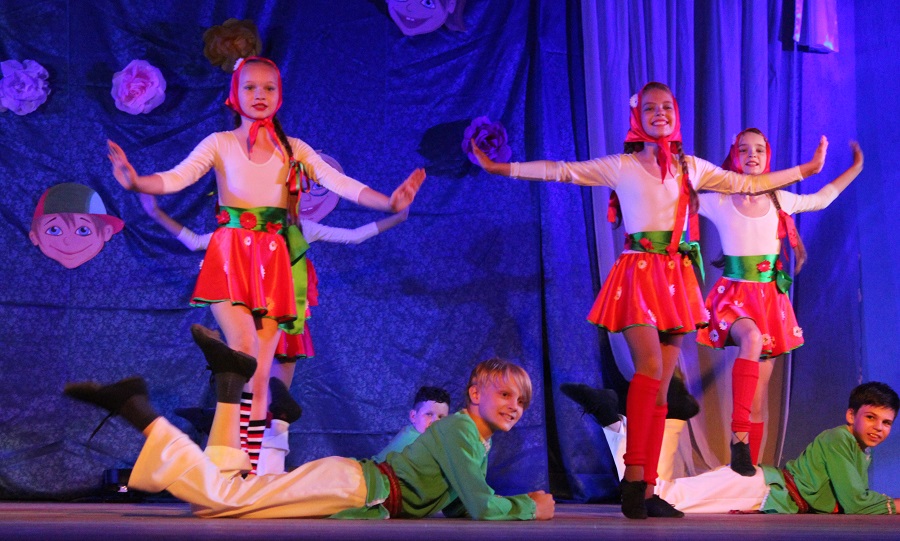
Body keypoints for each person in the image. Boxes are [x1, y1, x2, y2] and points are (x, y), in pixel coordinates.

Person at [471, 81, 828, 519]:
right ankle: (633, 479)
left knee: (661, 387)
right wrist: (501, 168)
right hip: (638, 273)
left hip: (676, 276)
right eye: (650, 108)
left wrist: (806, 169)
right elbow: (562, 170)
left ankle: (646, 485)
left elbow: (748, 182)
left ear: (675, 116)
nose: (660, 113)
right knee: (651, 368)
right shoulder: (621, 166)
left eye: (667, 107)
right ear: (636, 117)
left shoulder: (691, 168)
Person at [107, 56, 425, 473]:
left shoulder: (295, 150)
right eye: (250, 87)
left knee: (259, 374)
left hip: (273, 262)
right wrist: (136, 181)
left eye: (269, 88)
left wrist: (389, 202)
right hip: (230, 254)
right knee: (241, 346)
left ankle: (249, 468)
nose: (260, 95)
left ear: (280, 95)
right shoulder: (219, 143)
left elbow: (340, 183)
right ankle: (227, 458)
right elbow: (177, 177)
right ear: (234, 95)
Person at [63, 341, 555, 520]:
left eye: (522, 401)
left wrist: (501, 505)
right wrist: (530, 506)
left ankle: (228, 386)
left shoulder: (475, 440)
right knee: (226, 501)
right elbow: (481, 506)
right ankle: (140, 413)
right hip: (352, 485)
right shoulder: (461, 431)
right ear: (474, 392)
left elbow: (460, 503)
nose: (514, 406)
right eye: (505, 394)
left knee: (226, 500)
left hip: (357, 492)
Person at [696, 130, 864, 476]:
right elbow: (681, 199)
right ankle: (738, 439)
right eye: (744, 150)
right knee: (751, 338)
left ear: (767, 156)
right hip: (735, 297)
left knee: (759, 397)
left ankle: (752, 474)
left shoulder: (780, 201)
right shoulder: (720, 200)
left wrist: (856, 168)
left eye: (759, 150)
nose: (752, 155)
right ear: (735, 156)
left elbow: (822, 199)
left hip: (769, 301)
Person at [653, 381, 897, 514]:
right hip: (761, 489)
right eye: (871, 417)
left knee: (667, 495)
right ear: (851, 415)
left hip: (765, 493)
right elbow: (856, 502)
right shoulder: (839, 438)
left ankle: (672, 419)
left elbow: (852, 499)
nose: (878, 427)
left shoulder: (860, 451)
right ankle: (646, 421)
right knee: (667, 497)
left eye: (886, 423)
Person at [374, 385, 451, 462]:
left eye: (441, 417)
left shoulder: (410, 430)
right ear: (413, 416)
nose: (436, 421)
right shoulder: (417, 441)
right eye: (429, 414)